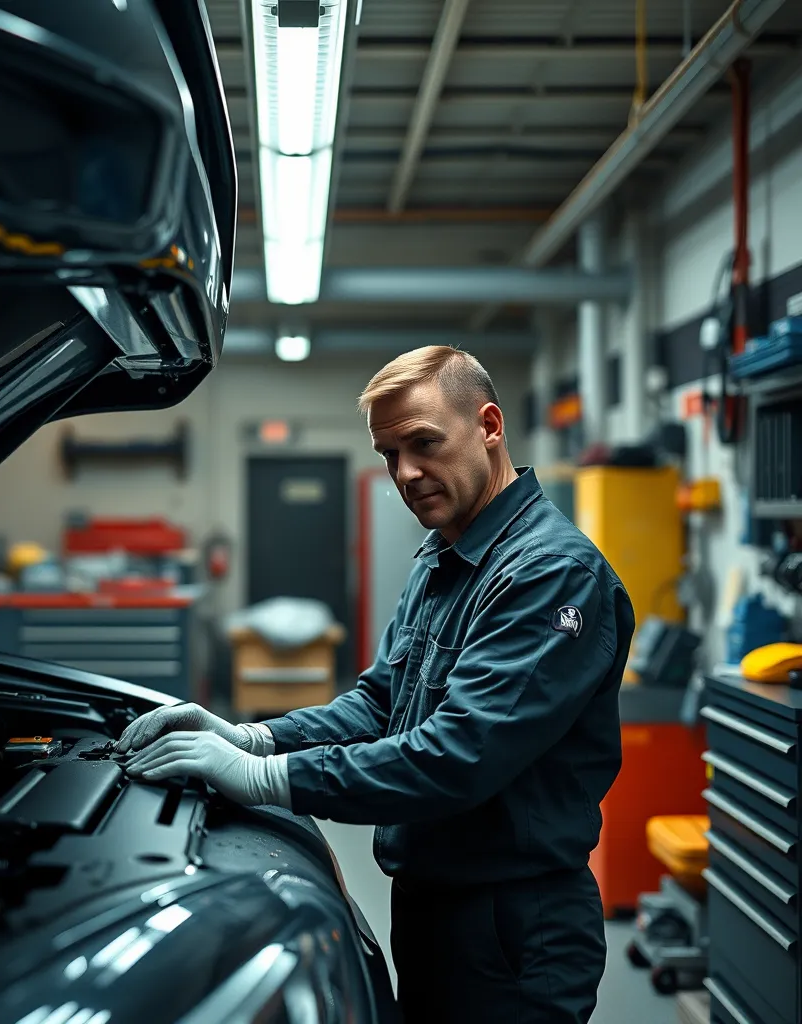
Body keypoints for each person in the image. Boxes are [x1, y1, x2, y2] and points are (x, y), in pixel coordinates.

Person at [120, 346, 634, 1023]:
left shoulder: (549, 575)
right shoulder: (446, 556)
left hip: (513, 926)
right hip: (434, 906)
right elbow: (380, 702)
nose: (406, 473)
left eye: (424, 443)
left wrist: (269, 778)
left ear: (488, 425)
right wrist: (255, 734)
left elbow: (458, 755)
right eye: (389, 455)